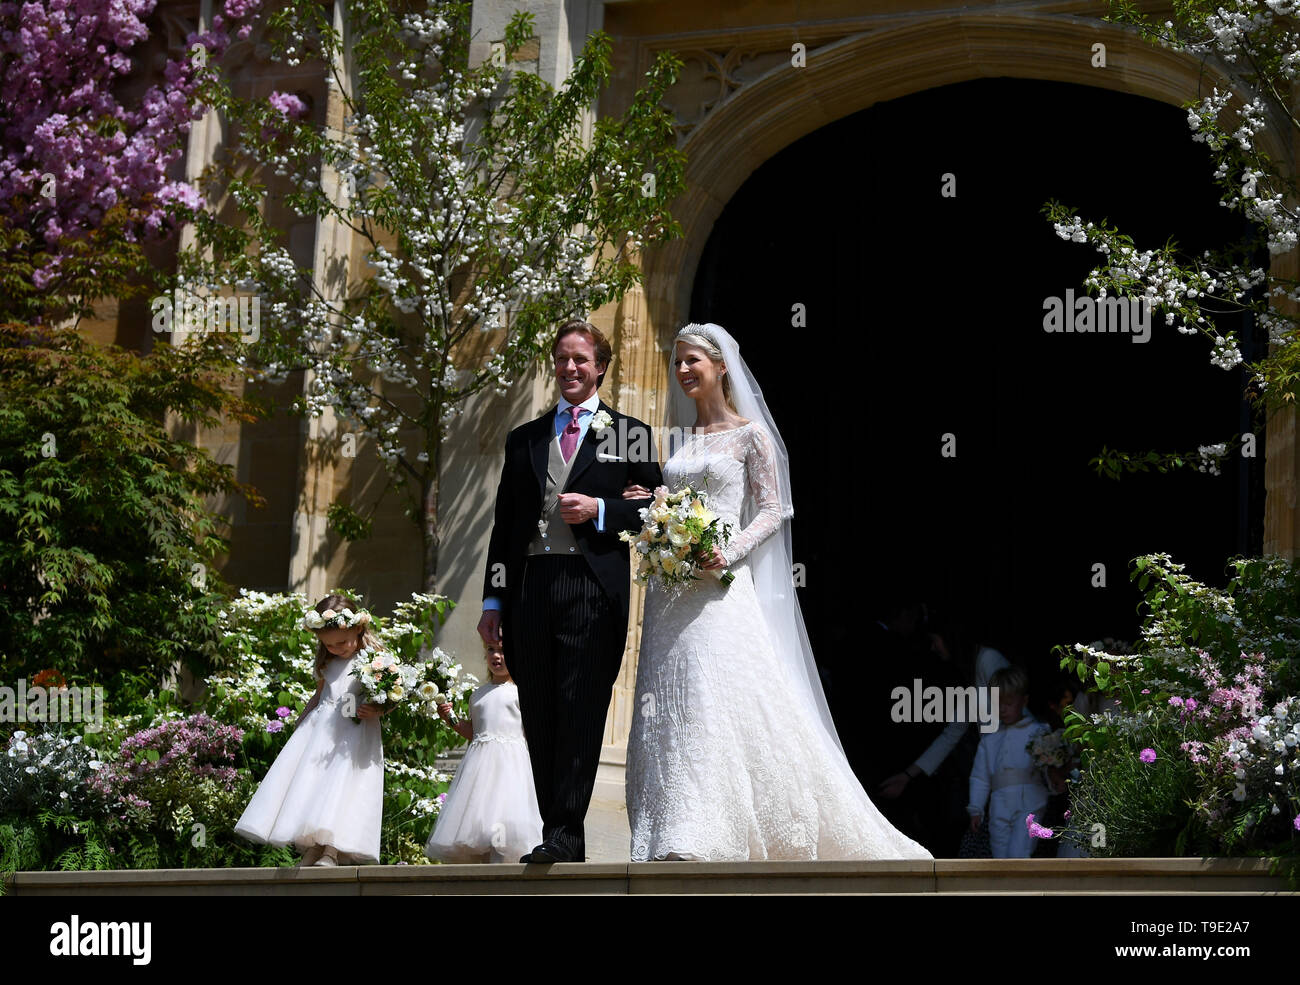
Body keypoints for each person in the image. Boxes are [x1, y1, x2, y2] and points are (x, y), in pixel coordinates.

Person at [620, 322, 932, 861]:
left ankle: (707, 834)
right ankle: (672, 827)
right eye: (676, 362)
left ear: (721, 366)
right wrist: (651, 505)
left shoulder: (750, 435)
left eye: (693, 360)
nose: (683, 370)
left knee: (711, 696)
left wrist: (729, 551)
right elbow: (675, 502)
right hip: (670, 595)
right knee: (668, 701)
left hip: (718, 587)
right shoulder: (678, 438)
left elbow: (774, 509)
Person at [478, 320, 663, 863]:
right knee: (538, 710)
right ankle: (559, 831)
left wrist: (601, 509)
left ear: (600, 367)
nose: (570, 369)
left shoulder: (630, 434)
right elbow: (504, 527)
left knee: (579, 706)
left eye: (581, 359)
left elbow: (657, 510)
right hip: (529, 587)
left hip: (590, 586)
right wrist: (493, 601)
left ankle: (564, 831)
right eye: (562, 359)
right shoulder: (525, 439)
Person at [234, 594, 385, 866]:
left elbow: (391, 695)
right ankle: (313, 848)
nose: (337, 649)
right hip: (323, 731)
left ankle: (333, 851)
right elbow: (319, 695)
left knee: (343, 786)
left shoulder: (374, 659)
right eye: (329, 644)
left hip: (355, 731)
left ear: (359, 628)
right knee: (314, 785)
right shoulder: (327, 662)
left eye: (342, 642)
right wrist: (302, 719)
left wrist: (377, 709)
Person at [424, 641, 543, 863]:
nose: (496, 656)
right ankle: (485, 864)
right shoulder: (478, 694)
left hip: (511, 764)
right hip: (479, 766)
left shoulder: (521, 692)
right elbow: (475, 731)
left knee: (507, 813)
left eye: (503, 650)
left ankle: (504, 862)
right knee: (479, 817)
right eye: (491, 650)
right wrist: (451, 719)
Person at [966, 666, 1051, 858]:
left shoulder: (1038, 732)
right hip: (999, 806)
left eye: (1009, 703)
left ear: (1024, 701)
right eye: (998, 704)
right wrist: (976, 807)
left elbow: (1050, 769)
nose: (1003, 709)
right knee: (1000, 856)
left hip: (1030, 801)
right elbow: (980, 777)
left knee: (1018, 853)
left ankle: (1023, 887)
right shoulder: (990, 740)